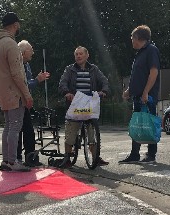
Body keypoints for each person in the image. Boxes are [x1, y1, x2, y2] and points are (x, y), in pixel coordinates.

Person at [0, 12, 33, 172]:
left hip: (2, 91)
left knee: (8, 126)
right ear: (15, 24)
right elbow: (17, 73)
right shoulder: (11, 44)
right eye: (18, 24)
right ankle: (12, 161)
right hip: (14, 92)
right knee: (15, 127)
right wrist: (27, 95)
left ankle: (6, 161)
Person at [58, 46, 110, 168]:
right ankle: (67, 156)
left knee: (92, 131)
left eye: (81, 54)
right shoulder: (69, 69)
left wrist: (104, 91)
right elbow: (62, 83)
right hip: (75, 103)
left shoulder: (94, 69)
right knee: (71, 130)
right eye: (76, 54)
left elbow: (104, 81)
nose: (78, 56)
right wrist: (67, 93)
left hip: (89, 103)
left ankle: (95, 156)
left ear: (87, 55)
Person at [120, 25, 161, 164]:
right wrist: (129, 91)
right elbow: (138, 76)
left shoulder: (151, 50)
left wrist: (146, 92)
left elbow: (153, 72)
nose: (131, 40)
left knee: (149, 123)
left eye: (132, 38)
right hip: (138, 95)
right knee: (137, 124)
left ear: (139, 37)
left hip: (147, 96)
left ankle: (151, 154)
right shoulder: (140, 53)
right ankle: (134, 154)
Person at [17, 40, 50, 167]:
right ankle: (18, 158)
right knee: (19, 130)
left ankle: (30, 157)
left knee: (28, 130)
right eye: (31, 50)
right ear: (24, 52)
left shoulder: (27, 64)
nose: (33, 52)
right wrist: (37, 80)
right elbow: (23, 84)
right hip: (18, 101)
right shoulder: (19, 65)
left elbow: (28, 83)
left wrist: (36, 80)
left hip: (25, 101)